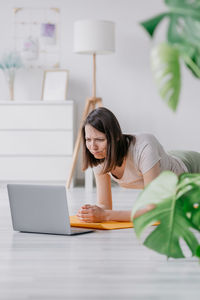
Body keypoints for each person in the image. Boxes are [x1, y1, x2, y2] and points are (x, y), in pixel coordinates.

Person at [77, 107, 200, 223]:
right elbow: (105, 206)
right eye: (88, 140)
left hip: (191, 168)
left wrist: (105, 215)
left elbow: (154, 212)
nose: (93, 147)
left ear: (116, 137)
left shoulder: (144, 147)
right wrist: (92, 212)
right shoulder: (99, 155)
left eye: (99, 139)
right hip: (165, 162)